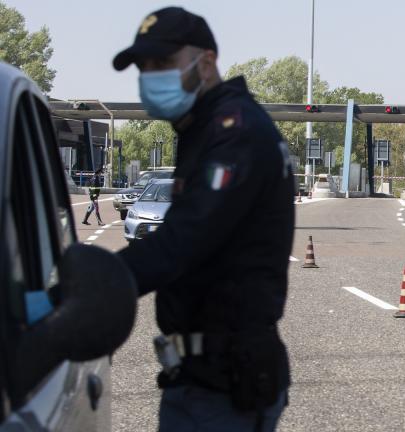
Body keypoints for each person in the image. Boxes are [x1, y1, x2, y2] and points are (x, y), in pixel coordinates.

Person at [112, 7, 295, 431]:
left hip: (227, 382)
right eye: (144, 68)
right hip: (200, 376)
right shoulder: (205, 128)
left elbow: (184, 240)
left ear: (206, 62)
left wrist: (89, 282)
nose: (149, 76)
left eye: (162, 64)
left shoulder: (236, 132)